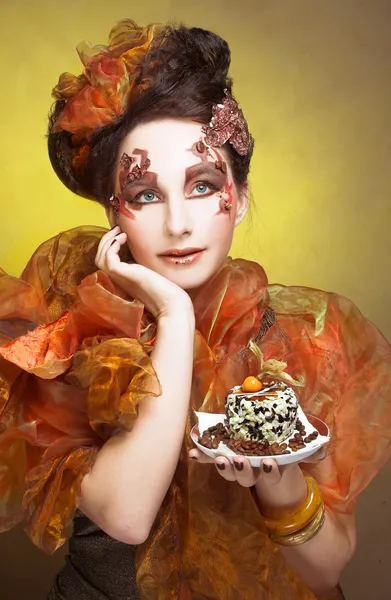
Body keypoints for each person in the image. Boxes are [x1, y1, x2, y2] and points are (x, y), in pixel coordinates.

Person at [0, 18, 390, 600]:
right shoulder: (69, 323)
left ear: (240, 198)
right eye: (146, 194)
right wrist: (176, 320)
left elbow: (326, 570)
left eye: (204, 185)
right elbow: (127, 516)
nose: (178, 223)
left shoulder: (309, 337)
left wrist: (278, 477)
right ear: (114, 211)